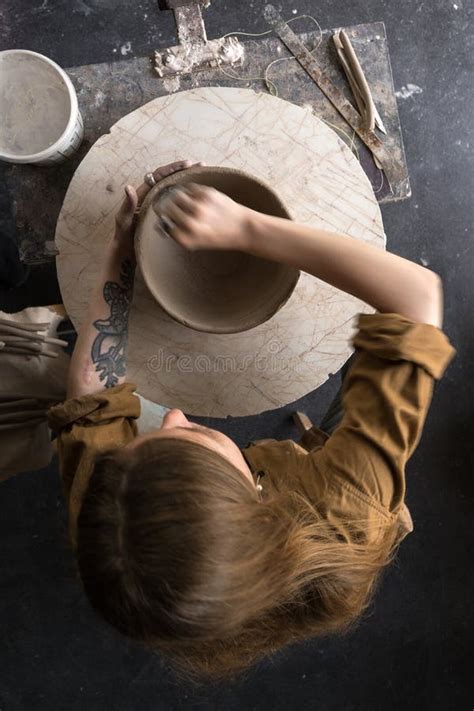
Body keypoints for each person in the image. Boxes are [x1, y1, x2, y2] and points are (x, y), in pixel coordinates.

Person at [48, 159, 455, 686]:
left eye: (148, 442)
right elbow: (417, 300)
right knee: (370, 387)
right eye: (189, 435)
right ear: (249, 495)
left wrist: (123, 249)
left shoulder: (112, 524)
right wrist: (250, 229)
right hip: (326, 504)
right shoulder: (346, 509)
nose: (173, 415)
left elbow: (92, 399)